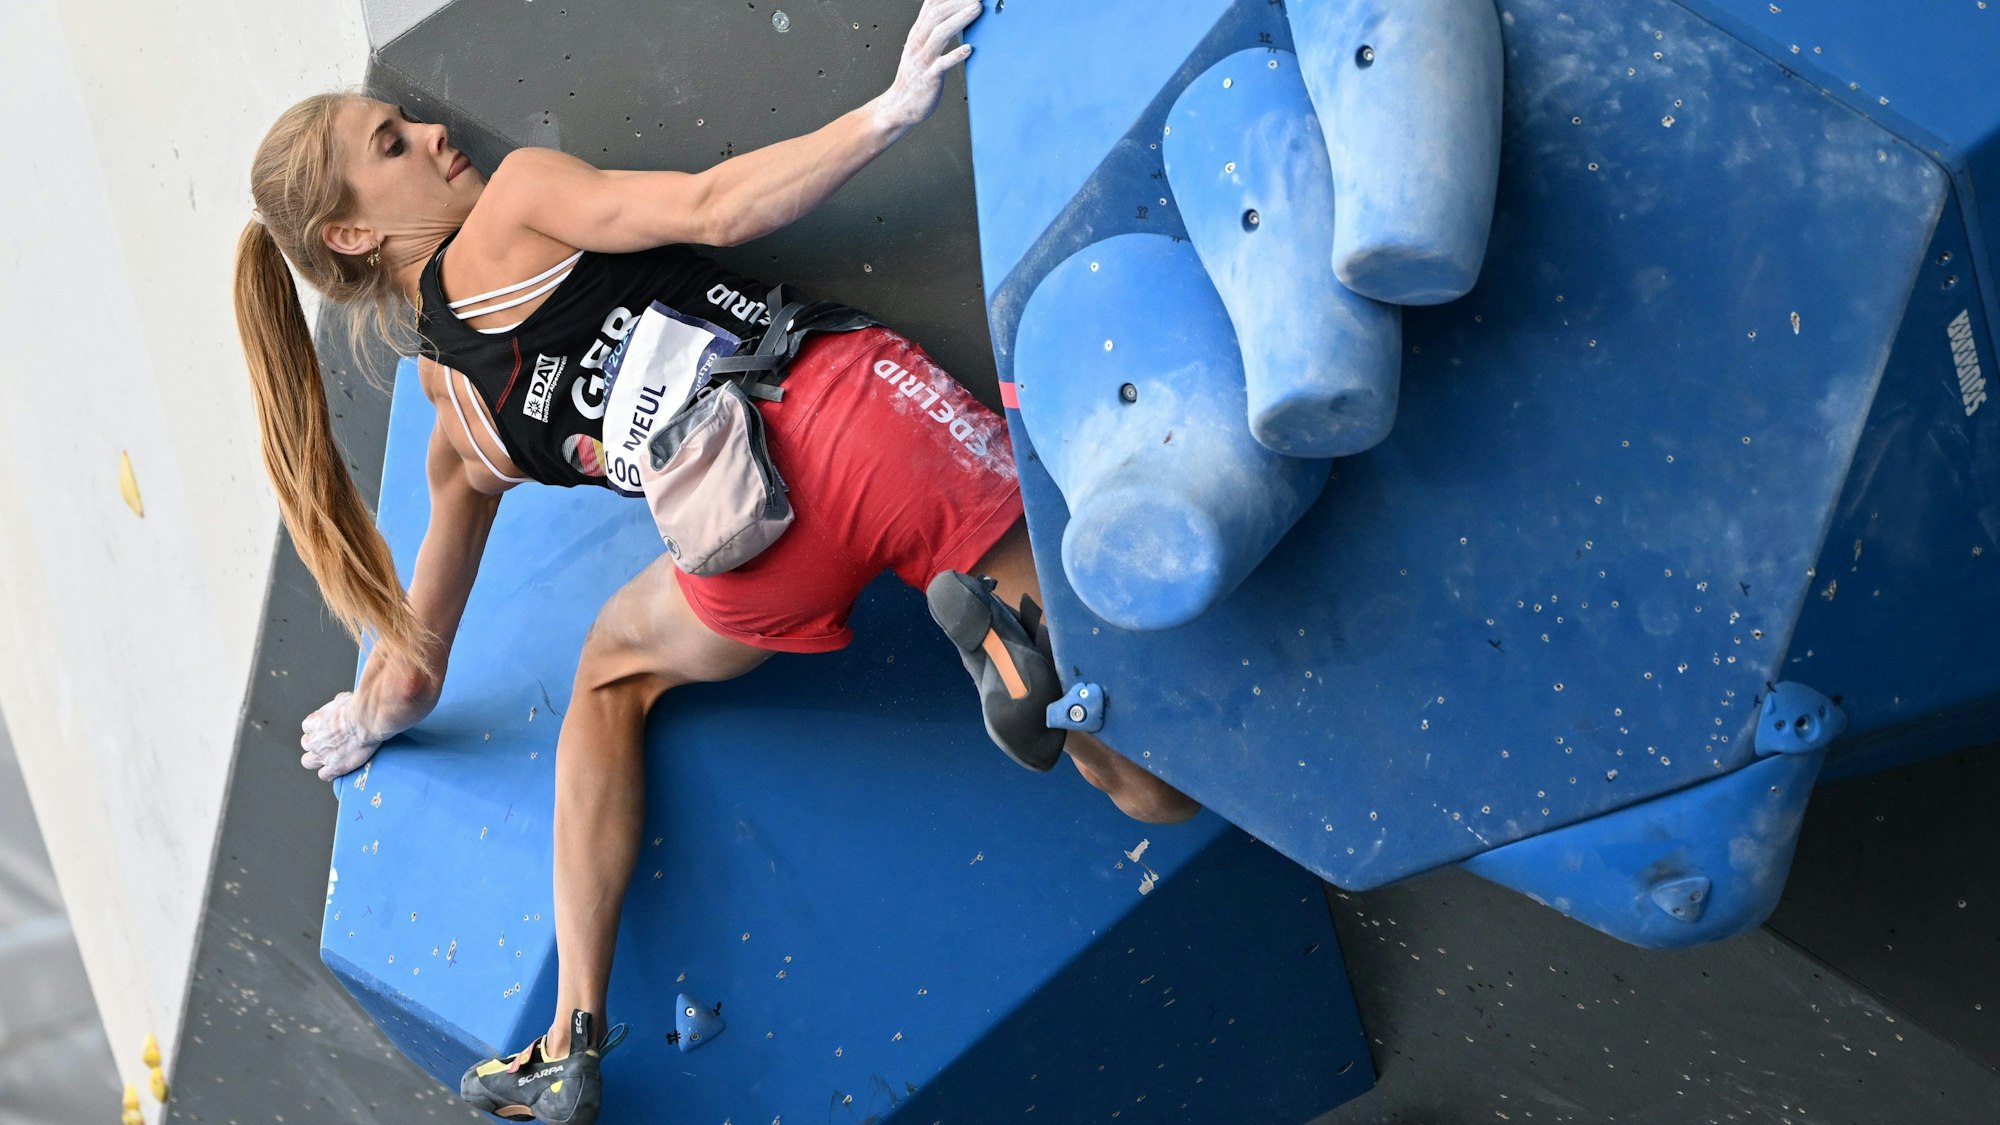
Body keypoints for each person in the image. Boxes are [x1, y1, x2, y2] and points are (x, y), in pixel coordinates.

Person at [232, 2, 1198, 1121]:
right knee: (1146, 758)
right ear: (352, 236)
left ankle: (569, 1033)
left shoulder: (464, 434)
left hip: (746, 553)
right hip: (855, 424)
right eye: (391, 145)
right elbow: (713, 207)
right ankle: (1042, 674)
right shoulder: (516, 203)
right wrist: (888, 111)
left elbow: (410, 673)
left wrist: (368, 718)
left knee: (609, 669)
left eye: (404, 118)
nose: (433, 133)